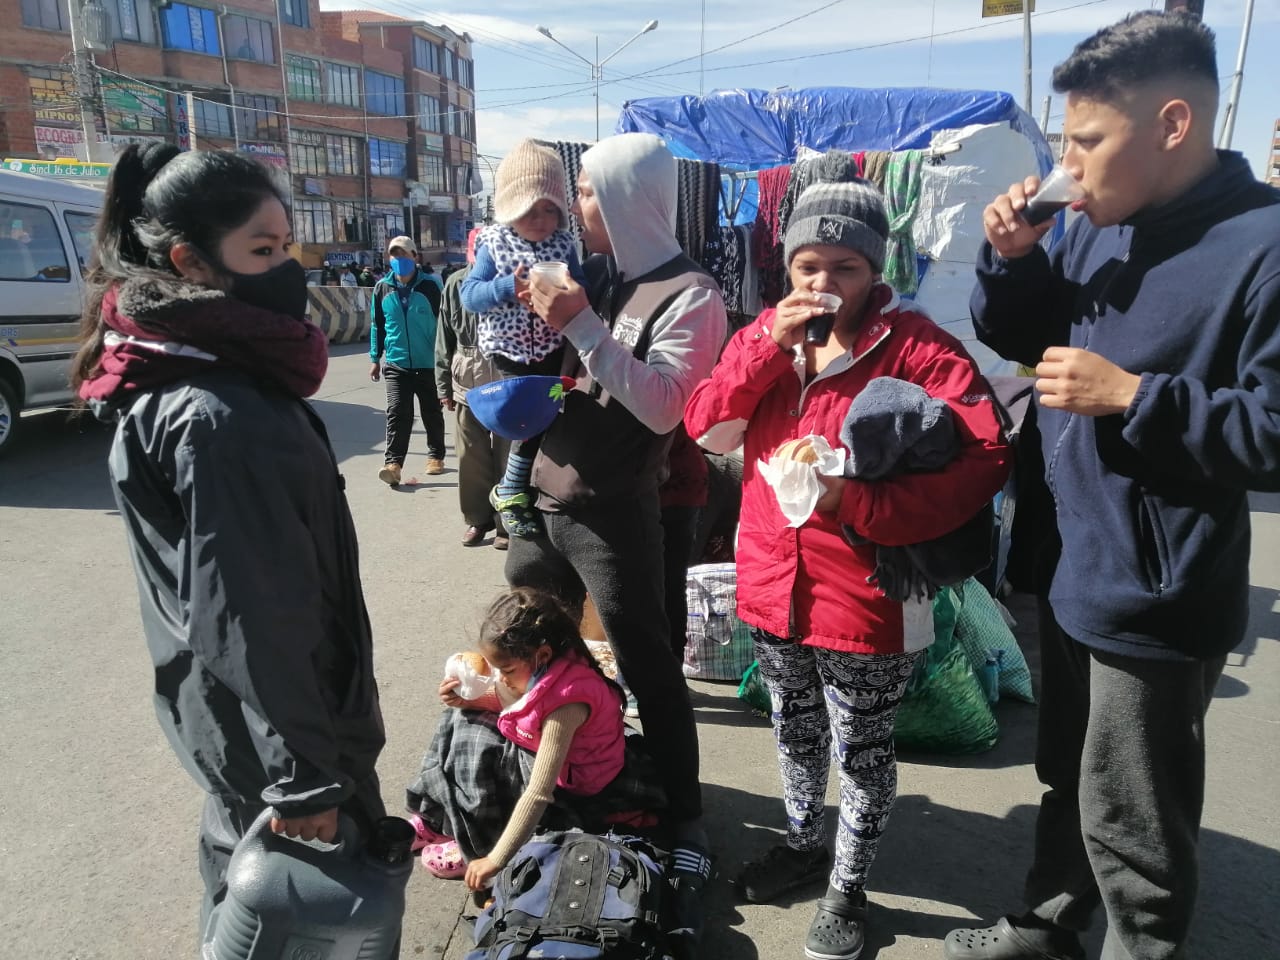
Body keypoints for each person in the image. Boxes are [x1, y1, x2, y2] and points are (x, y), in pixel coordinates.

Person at [944, 13, 1280, 960]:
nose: (1071, 164)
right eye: (1066, 141)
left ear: (1173, 124)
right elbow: (1024, 337)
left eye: (1089, 140)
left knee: (1137, 824)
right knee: (1069, 776)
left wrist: (1136, 398)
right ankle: (1048, 930)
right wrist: (1012, 262)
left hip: (1159, 588)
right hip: (1066, 557)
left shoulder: (1263, 246)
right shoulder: (1097, 229)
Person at [685, 174, 1010, 960]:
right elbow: (708, 430)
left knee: (863, 747)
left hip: (867, 591)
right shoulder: (765, 335)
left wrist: (856, 506)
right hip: (772, 578)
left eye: (844, 268)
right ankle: (802, 842)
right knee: (793, 726)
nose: (822, 284)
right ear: (785, 267)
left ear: (875, 271)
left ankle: (847, 888)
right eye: (807, 267)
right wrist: (766, 350)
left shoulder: (918, 348)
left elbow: (985, 457)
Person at [71, 144, 386, 944]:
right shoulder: (218, 415)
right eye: (262, 250)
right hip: (284, 746)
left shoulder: (194, 375)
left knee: (242, 904)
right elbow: (254, 615)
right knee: (292, 924)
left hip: (242, 731)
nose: (287, 269)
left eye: (288, 247)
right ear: (190, 261)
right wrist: (305, 780)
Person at [510, 132, 728, 893]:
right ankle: (554, 784)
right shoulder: (598, 275)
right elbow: (571, 371)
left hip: (614, 516)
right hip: (545, 499)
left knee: (649, 671)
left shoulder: (691, 294)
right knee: (529, 653)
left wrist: (578, 323)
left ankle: (687, 817)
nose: (578, 205)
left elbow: (667, 408)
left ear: (632, 197)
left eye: (592, 190)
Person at [405, 588, 662, 889]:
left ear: (541, 655)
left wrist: (496, 859)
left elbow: (539, 792)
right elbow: (516, 703)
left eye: (507, 670)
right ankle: (437, 820)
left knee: (478, 749)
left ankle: (475, 844)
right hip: (568, 759)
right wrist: (465, 700)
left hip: (576, 786)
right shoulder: (548, 665)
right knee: (457, 718)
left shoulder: (566, 705)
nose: (501, 678)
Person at [461, 139, 586, 538]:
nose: (541, 219)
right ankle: (512, 490)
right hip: (508, 350)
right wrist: (505, 288)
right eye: (532, 209)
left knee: (548, 422)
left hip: (553, 347)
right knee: (523, 420)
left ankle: (522, 491)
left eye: (550, 209)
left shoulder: (565, 244)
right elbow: (470, 296)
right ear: (511, 206)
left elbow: (583, 289)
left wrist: (568, 293)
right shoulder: (493, 243)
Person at [436, 257, 511, 549]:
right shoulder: (455, 283)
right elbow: (444, 336)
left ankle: (506, 524)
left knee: (507, 458)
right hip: (466, 382)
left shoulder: (508, 279)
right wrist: (442, 385)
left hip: (506, 381)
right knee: (471, 458)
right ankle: (477, 520)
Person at [370, 234, 447, 484]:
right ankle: (393, 464)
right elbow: (377, 325)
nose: (399, 258)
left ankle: (435, 455)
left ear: (415, 257)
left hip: (428, 363)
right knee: (397, 412)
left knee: (431, 412)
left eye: (404, 253)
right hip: (396, 362)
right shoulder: (382, 288)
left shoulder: (431, 287)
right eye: (394, 254)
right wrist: (375, 357)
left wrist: (447, 360)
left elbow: (445, 326)